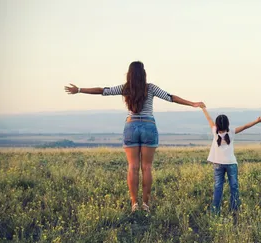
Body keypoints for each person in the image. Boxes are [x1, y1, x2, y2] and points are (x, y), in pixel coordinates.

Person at [63, 61, 205, 213]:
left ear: (129, 74)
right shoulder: (151, 88)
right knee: (147, 167)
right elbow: (171, 98)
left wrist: (79, 89)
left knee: (133, 167)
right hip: (148, 126)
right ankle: (145, 204)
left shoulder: (125, 88)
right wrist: (193, 104)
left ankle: (134, 204)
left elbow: (103, 90)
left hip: (131, 126)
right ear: (144, 73)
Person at [200, 107, 261, 220]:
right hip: (231, 164)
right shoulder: (231, 132)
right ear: (228, 124)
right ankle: (235, 209)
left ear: (217, 125)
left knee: (218, 187)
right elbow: (246, 126)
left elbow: (208, 118)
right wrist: (257, 121)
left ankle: (215, 211)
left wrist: (203, 108)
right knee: (234, 187)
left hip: (217, 164)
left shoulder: (214, 131)